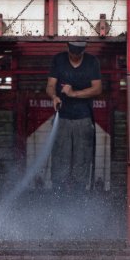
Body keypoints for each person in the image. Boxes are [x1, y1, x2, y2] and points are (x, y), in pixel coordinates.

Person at [46, 41, 102, 194]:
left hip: (83, 118)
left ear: (84, 51)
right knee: (59, 159)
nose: (75, 56)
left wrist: (74, 94)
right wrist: (54, 97)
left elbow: (97, 88)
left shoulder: (92, 62)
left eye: (78, 54)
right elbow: (50, 85)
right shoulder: (59, 60)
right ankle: (58, 194)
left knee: (82, 159)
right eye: (72, 53)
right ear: (67, 48)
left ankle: (79, 194)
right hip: (62, 118)